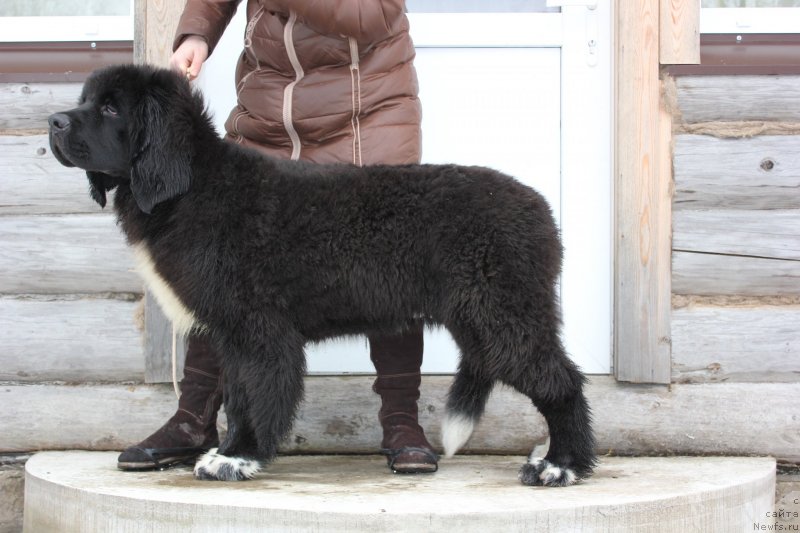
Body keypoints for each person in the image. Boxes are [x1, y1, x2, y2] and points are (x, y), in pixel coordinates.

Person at [117, 0, 437, 474]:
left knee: (389, 269)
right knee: (220, 265)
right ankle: (194, 418)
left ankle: (401, 421)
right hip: (267, 116)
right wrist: (197, 32)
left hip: (365, 115)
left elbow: (371, 16)